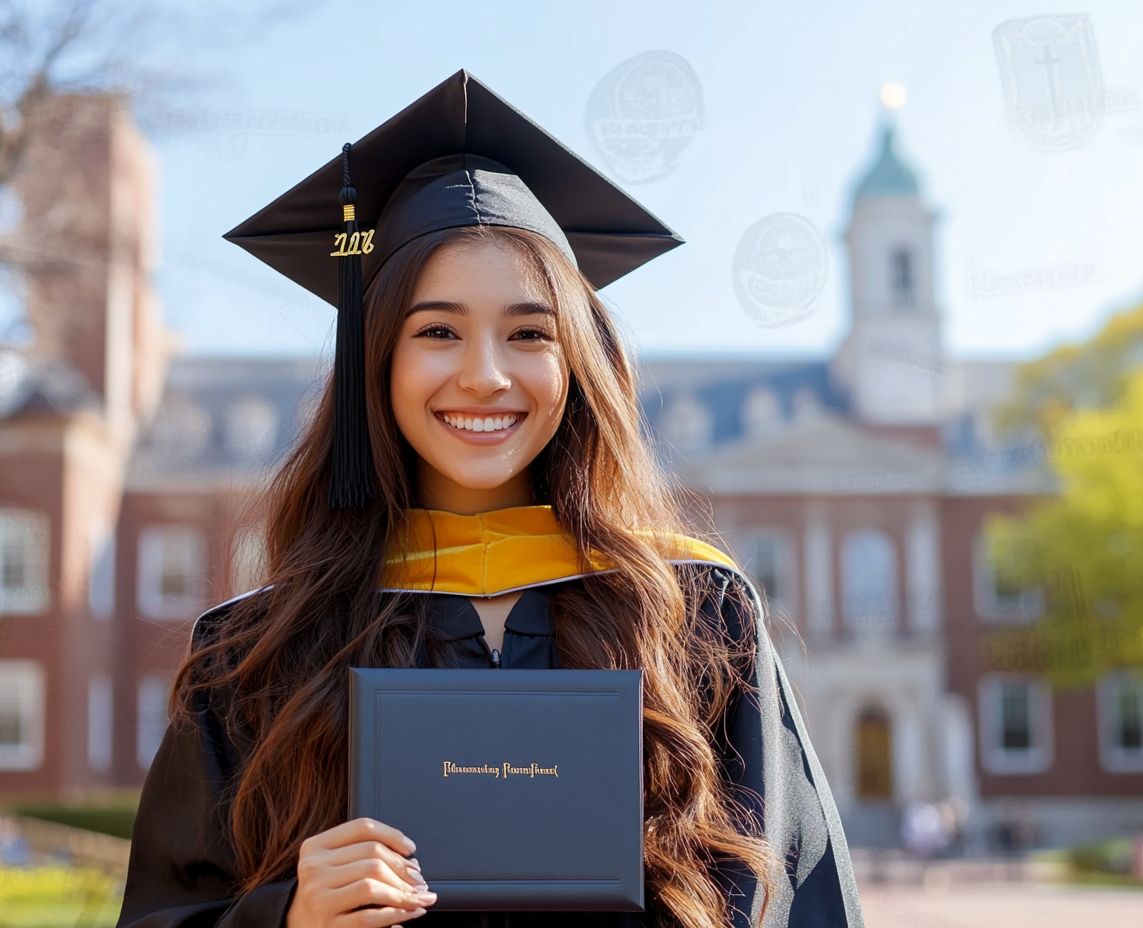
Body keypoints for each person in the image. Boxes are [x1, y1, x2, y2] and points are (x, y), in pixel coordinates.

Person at [115, 68, 864, 928]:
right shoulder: (253, 656)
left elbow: (798, 899)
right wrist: (282, 919)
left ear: (577, 361)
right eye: (437, 331)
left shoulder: (694, 617)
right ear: (375, 358)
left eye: (528, 332)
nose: (486, 374)